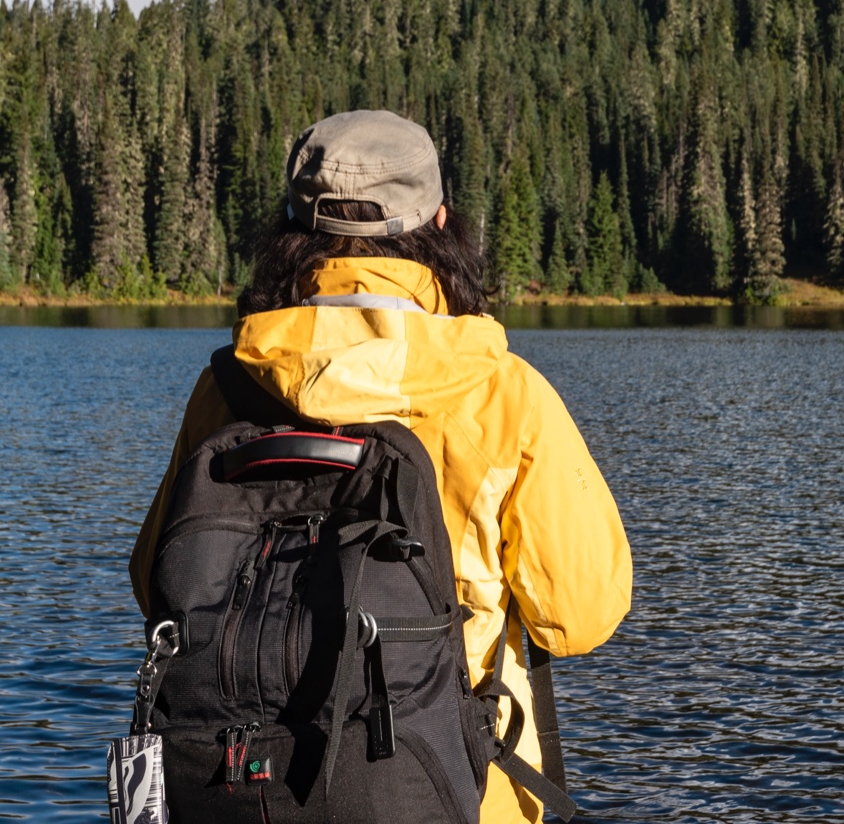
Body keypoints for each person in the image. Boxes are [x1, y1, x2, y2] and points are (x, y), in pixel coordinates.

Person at [130, 109, 632, 823]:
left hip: (247, 791)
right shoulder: (502, 392)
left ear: (291, 232)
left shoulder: (228, 387)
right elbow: (581, 617)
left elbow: (154, 580)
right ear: (440, 222)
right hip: (455, 793)